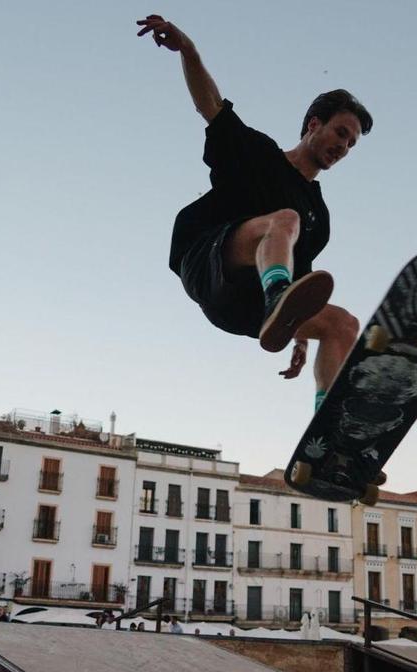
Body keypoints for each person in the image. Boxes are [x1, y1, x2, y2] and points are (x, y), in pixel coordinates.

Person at [136, 14, 373, 410]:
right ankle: (275, 297)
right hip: (211, 264)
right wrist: (188, 50)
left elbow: (304, 284)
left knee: (343, 324)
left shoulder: (320, 216)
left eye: (351, 143)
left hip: (248, 309)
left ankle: (326, 435)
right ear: (314, 124)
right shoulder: (257, 154)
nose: (343, 146)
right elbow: (210, 104)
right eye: (340, 133)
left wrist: (299, 335)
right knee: (284, 221)